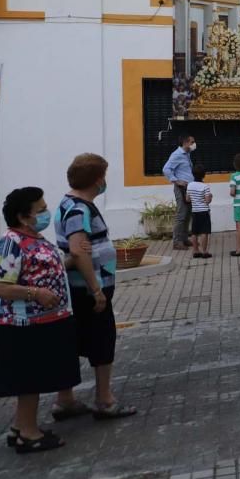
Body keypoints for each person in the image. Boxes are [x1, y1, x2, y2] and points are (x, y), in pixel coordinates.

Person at [0, 186, 80, 453]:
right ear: (23, 216)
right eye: (40, 210)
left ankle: (20, 427)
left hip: (43, 323)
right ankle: (29, 434)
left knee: (33, 379)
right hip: (20, 326)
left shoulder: (34, 238)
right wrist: (35, 293)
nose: (45, 213)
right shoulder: (9, 242)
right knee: (28, 381)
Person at [52, 153, 137, 422]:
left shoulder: (69, 204)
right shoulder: (79, 209)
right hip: (89, 289)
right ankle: (104, 399)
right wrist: (96, 289)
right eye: (104, 176)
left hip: (79, 288)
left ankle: (65, 400)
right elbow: (79, 252)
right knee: (101, 341)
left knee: (74, 340)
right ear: (96, 179)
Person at [163, 134, 196, 251]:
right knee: (181, 214)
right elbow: (166, 169)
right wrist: (176, 181)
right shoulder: (177, 155)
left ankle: (184, 238)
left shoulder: (187, 154)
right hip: (181, 188)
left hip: (189, 188)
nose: (194, 144)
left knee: (187, 214)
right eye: (192, 142)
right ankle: (177, 242)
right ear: (185, 143)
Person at [186, 165, 213, 259]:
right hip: (204, 211)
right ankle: (205, 251)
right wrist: (210, 197)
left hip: (195, 211)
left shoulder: (189, 185)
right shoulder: (205, 186)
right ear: (204, 175)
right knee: (204, 232)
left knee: (194, 232)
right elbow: (207, 201)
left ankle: (195, 251)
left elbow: (187, 199)